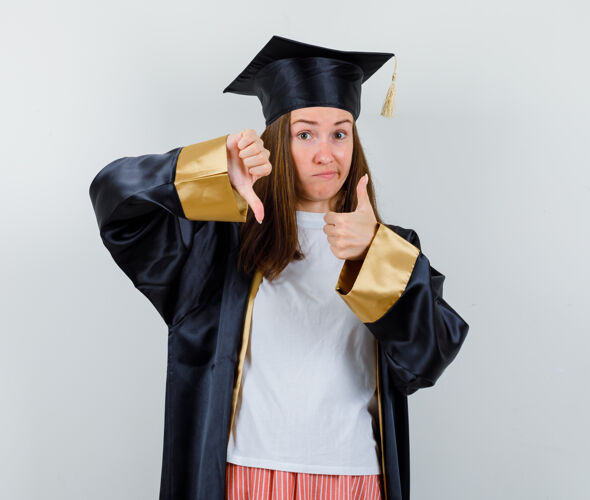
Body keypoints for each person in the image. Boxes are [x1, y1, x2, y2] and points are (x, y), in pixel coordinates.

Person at [88, 35, 469, 500]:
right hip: (241, 475)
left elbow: (426, 361)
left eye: (340, 132)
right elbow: (115, 203)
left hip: (354, 477)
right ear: (275, 139)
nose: (326, 153)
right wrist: (209, 170)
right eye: (305, 133)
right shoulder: (219, 242)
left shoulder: (391, 247)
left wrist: (374, 252)